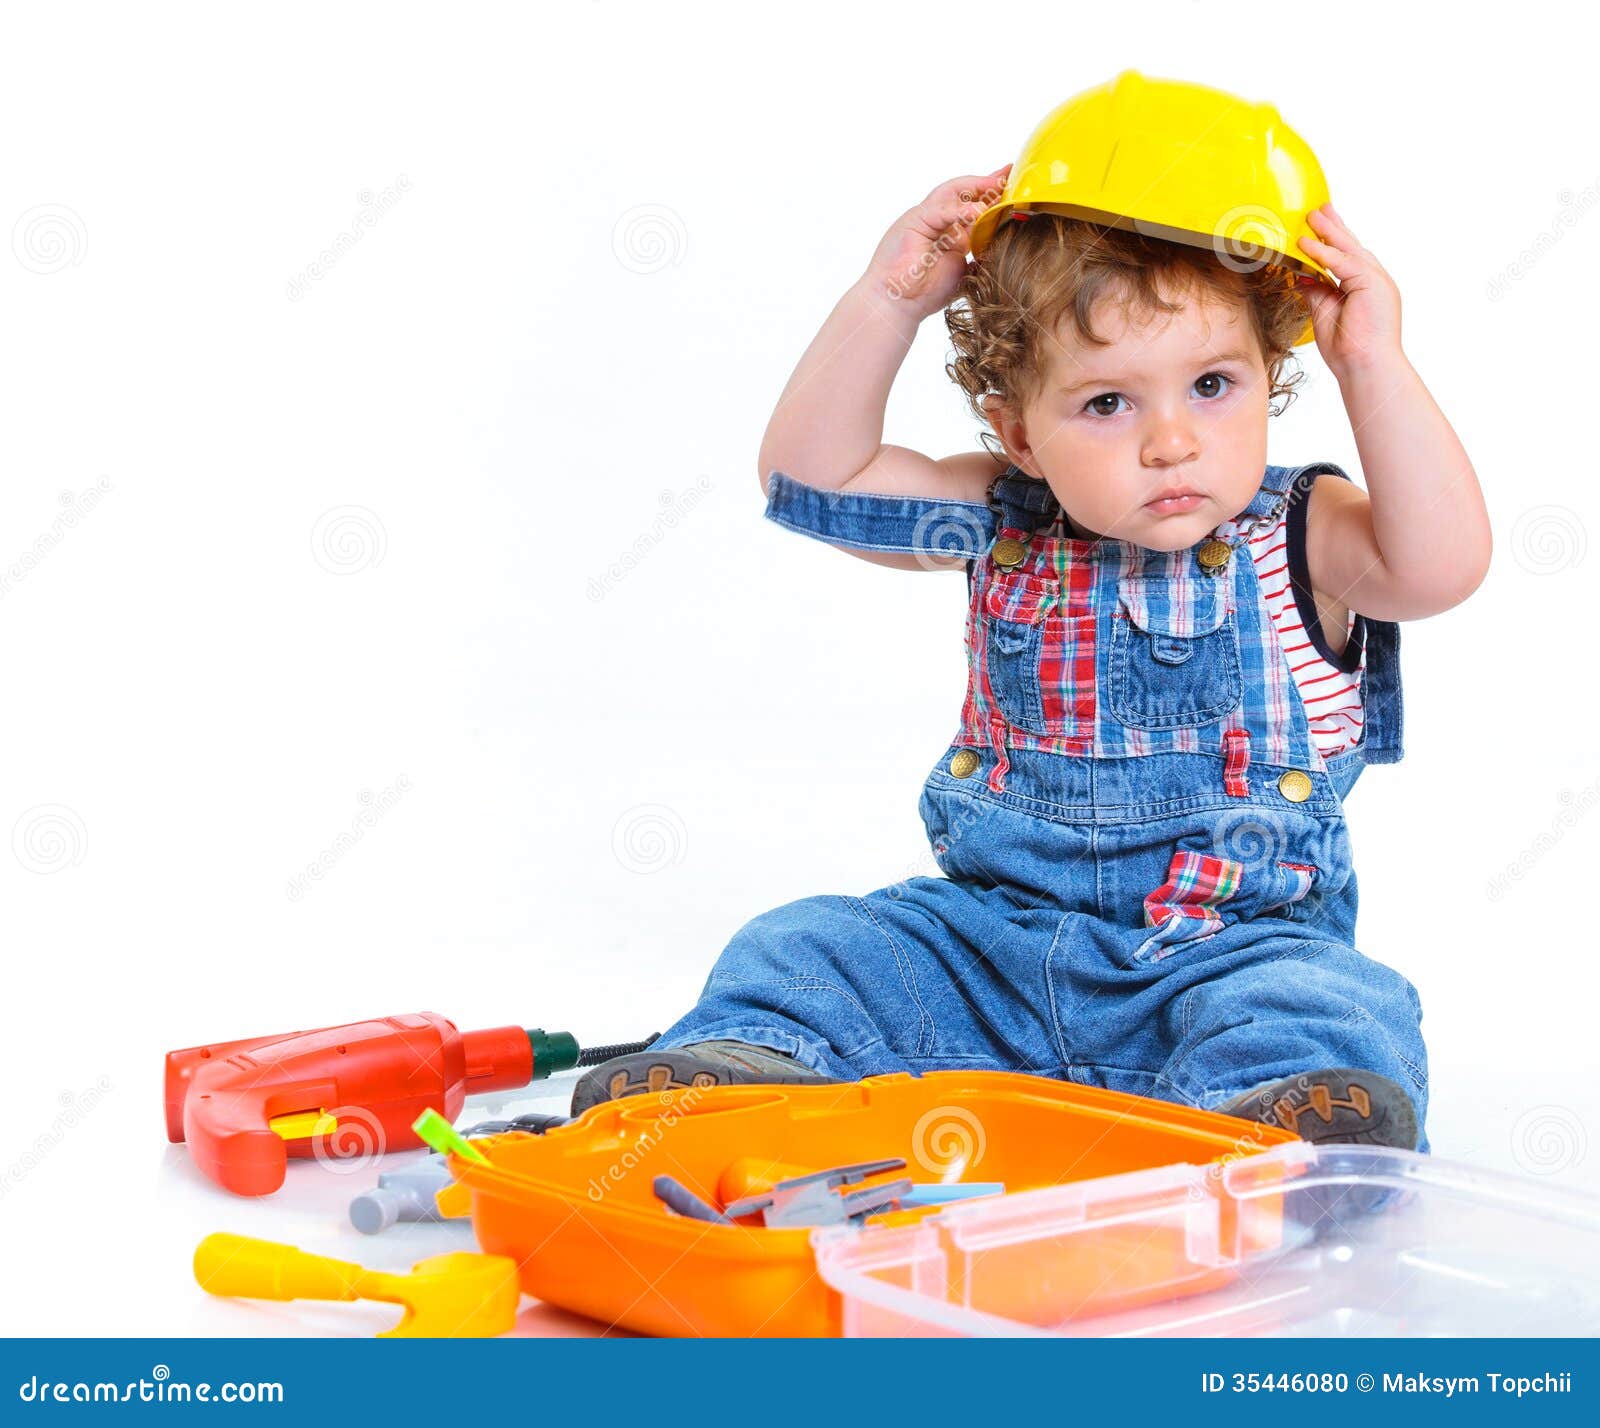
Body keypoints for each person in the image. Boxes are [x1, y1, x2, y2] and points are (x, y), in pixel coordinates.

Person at [573, 84, 1490, 1156]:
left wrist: (1373, 361)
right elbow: (810, 483)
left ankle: (1268, 1123)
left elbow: (1439, 565)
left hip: (1225, 959)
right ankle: (744, 1082)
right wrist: (888, 301)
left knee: (1331, 1002)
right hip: (992, 959)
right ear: (1017, 433)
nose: (1171, 441)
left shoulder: (1301, 532)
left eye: (1211, 384)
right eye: (1106, 402)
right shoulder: (998, 517)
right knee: (808, 945)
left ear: (1271, 374)